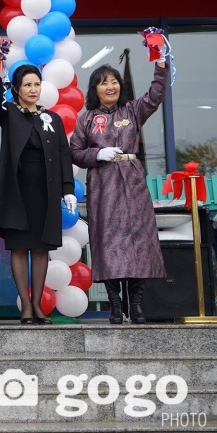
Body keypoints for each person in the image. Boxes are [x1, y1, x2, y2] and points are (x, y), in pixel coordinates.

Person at [70, 58, 169, 324]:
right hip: (103, 184)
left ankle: (135, 304)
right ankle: (115, 304)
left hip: (133, 180)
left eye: (114, 81)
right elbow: (75, 152)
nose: (111, 86)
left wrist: (160, 67)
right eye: (104, 83)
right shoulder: (87, 119)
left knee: (138, 242)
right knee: (108, 242)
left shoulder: (133, 110)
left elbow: (156, 96)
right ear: (95, 89)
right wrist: (98, 153)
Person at [0, 65, 75, 325]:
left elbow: (63, 154)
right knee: (19, 247)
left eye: (36, 84)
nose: (33, 89)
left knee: (40, 249)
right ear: (16, 89)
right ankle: (25, 306)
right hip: (18, 191)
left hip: (45, 191)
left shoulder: (52, 118)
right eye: (27, 85)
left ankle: (38, 305)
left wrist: (68, 189)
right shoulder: (9, 113)